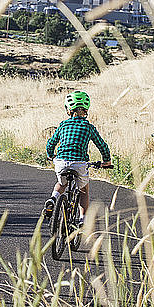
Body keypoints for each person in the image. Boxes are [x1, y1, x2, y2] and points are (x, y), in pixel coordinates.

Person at [44, 90, 111, 227]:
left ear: (69, 110)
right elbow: (102, 145)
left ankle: (53, 198)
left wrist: (51, 155)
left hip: (61, 162)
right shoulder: (89, 127)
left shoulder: (63, 125)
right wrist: (106, 161)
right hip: (79, 163)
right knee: (83, 191)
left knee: (62, 184)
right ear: (86, 110)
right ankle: (82, 219)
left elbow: (51, 143)